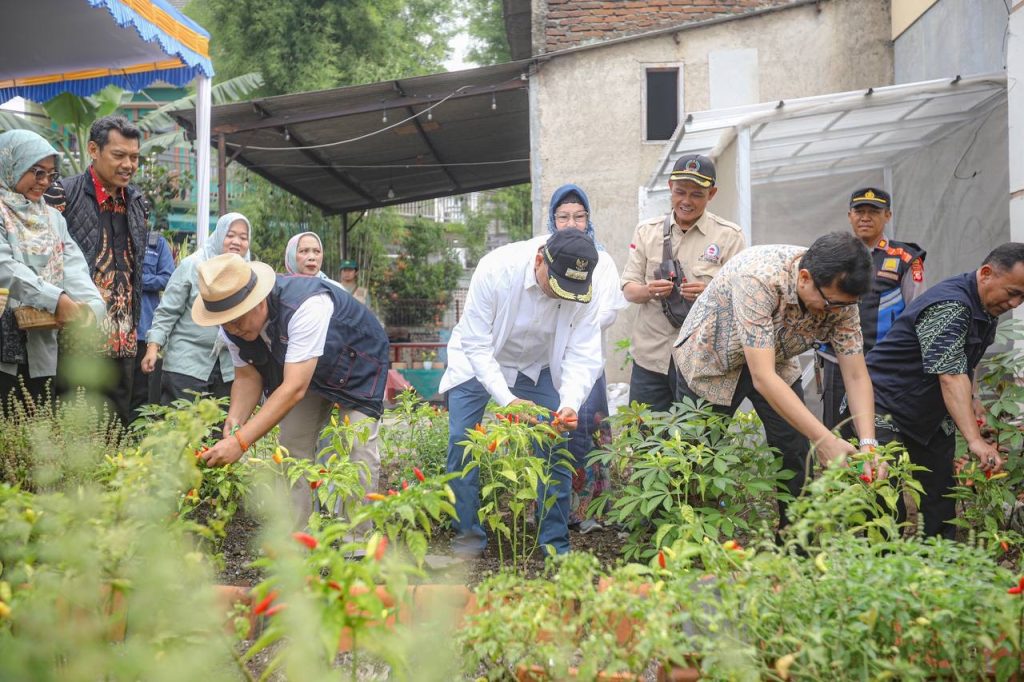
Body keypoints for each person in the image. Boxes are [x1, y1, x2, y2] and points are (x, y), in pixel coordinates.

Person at [671, 232, 879, 526]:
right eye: (831, 304)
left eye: (845, 306)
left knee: (794, 451)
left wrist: (869, 442)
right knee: (697, 455)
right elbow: (763, 378)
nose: (836, 313)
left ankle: (795, 543)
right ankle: (691, 542)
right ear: (804, 278)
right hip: (712, 360)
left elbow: (856, 375)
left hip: (775, 357)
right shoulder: (760, 277)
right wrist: (824, 438)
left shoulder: (840, 298)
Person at [191, 253, 389, 528]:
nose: (232, 328)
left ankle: (357, 540)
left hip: (356, 363)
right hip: (302, 368)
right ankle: (298, 537)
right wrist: (236, 420)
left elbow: (294, 388)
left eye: (237, 319)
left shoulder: (305, 305)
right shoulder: (232, 326)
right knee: (292, 445)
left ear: (258, 301)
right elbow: (247, 376)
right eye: (225, 322)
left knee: (358, 446)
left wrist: (240, 442)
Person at [440, 229, 603, 557]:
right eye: (556, 287)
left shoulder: (584, 287)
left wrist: (570, 402)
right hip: (480, 360)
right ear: (540, 260)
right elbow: (476, 342)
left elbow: (584, 351)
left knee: (555, 444)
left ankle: (554, 548)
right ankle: (468, 541)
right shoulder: (496, 269)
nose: (563, 297)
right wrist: (508, 399)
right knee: (462, 443)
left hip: (538, 367)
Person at [864, 243, 1024, 539]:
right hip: (882, 404)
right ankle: (882, 568)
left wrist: (974, 400)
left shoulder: (986, 308)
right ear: (987, 274)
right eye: (1013, 292)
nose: (1016, 303)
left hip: (928, 409)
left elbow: (967, 363)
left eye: (1023, 297)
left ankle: (940, 565)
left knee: (939, 493)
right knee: (886, 496)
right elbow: (950, 376)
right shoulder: (951, 305)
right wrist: (974, 440)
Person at [621, 154, 745, 412]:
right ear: (670, 188)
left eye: (697, 194)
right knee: (646, 439)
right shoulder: (647, 231)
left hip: (702, 363)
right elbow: (629, 289)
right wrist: (648, 290)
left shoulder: (729, 236)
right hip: (651, 359)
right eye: (680, 192)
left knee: (695, 442)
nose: (686, 201)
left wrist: (709, 295)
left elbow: (743, 299)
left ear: (712, 194)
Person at [46, 115, 147, 426]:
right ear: (93, 149)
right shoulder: (62, 194)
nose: (129, 164)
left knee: (116, 432)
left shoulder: (138, 202)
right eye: (119, 155)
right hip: (77, 338)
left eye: (134, 157)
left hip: (124, 339)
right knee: (71, 426)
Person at [0, 130, 105, 411]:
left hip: (40, 343)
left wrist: (92, 307)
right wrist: (57, 299)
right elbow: (5, 268)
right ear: (14, 165)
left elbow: (73, 267)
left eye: (51, 174)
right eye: (37, 172)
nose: (45, 182)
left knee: (35, 433)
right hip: (2, 345)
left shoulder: (52, 218)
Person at [545, 184, 627, 533]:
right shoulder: (545, 253)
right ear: (553, 220)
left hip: (587, 358)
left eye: (579, 216)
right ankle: (550, 507)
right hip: (549, 359)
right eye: (563, 216)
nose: (571, 223)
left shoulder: (602, 259)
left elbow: (607, 311)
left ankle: (590, 511)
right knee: (552, 429)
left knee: (589, 430)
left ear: (588, 219)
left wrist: (580, 321)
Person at [816, 188, 926, 430]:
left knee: (883, 427)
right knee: (837, 428)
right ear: (849, 215)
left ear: (887, 215)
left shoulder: (905, 257)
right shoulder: (834, 253)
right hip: (837, 356)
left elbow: (917, 313)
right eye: (859, 211)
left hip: (885, 361)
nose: (865, 217)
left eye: (873, 212)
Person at [141, 214, 252, 404]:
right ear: (219, 235)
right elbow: (167, 310)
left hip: (229, 366)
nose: (236, 242)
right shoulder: (193, 265)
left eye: (243, 237)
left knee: (221, 429)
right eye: (230, 235)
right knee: (181, 427)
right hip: (187, 363)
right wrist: (153, 347)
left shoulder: (249, 273)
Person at [131, 231, 175, 414]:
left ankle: (135, 438)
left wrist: (136, 280)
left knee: (141, 391)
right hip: (115, 331)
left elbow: (168, 278)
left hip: (144, 330)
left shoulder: (157, 243)